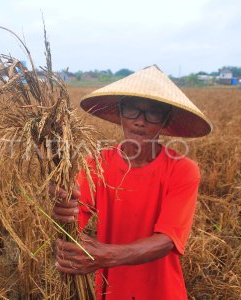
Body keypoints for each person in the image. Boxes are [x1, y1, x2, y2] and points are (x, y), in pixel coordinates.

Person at [52, 65, 212, 300]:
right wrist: (62, 207)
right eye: (131, 110)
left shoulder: (183, 170)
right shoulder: (96, 163)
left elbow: (167, 240)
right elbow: (74, 218)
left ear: (165, 120)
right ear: (119, 113)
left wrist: (105, 255)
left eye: (153, 113)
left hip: (162, 291)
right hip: (111, 291)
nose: (140, 121)